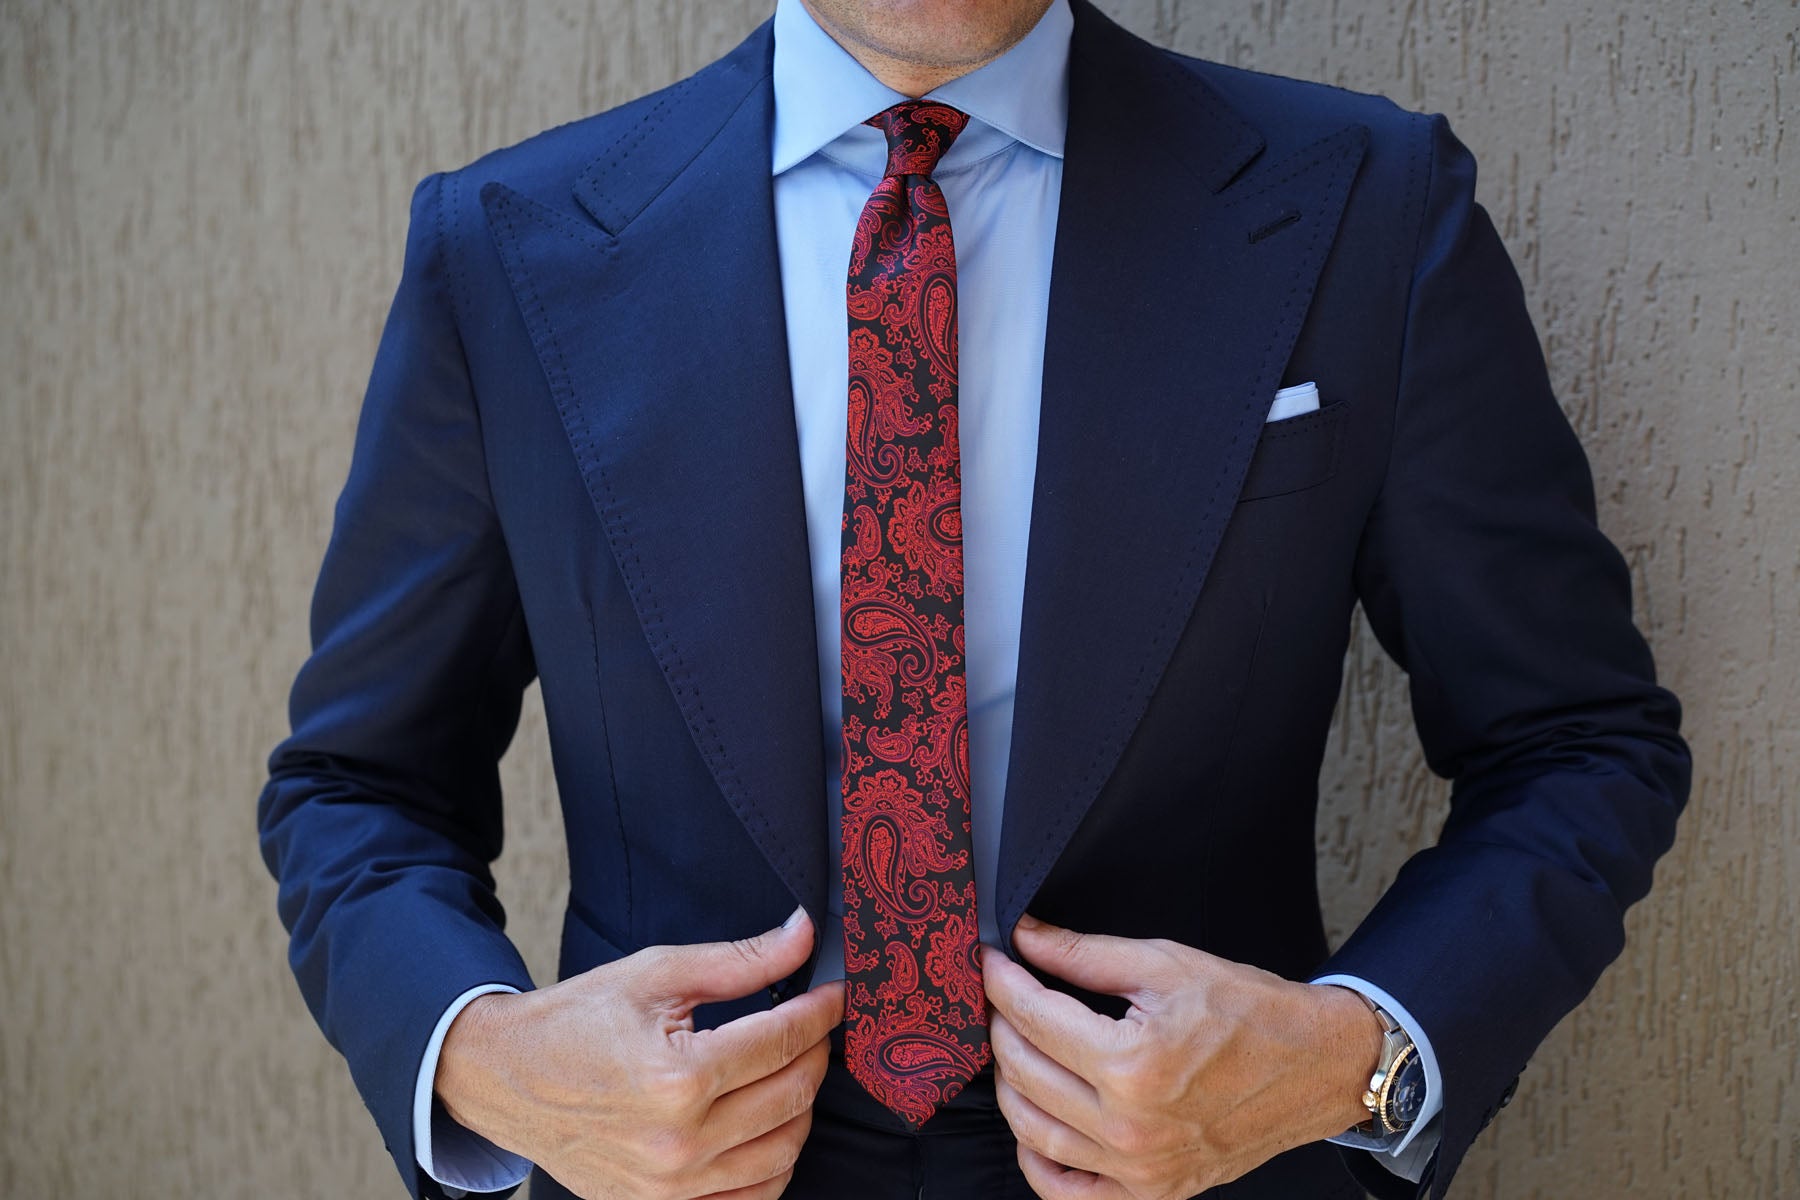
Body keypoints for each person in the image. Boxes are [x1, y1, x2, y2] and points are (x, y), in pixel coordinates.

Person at [257, 0, 1690, 1197]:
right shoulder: (504, 252)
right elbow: (355, 785)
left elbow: (1575, 741)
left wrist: (1351, 1059)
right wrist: (488, 1063)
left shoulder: (1368, 210)